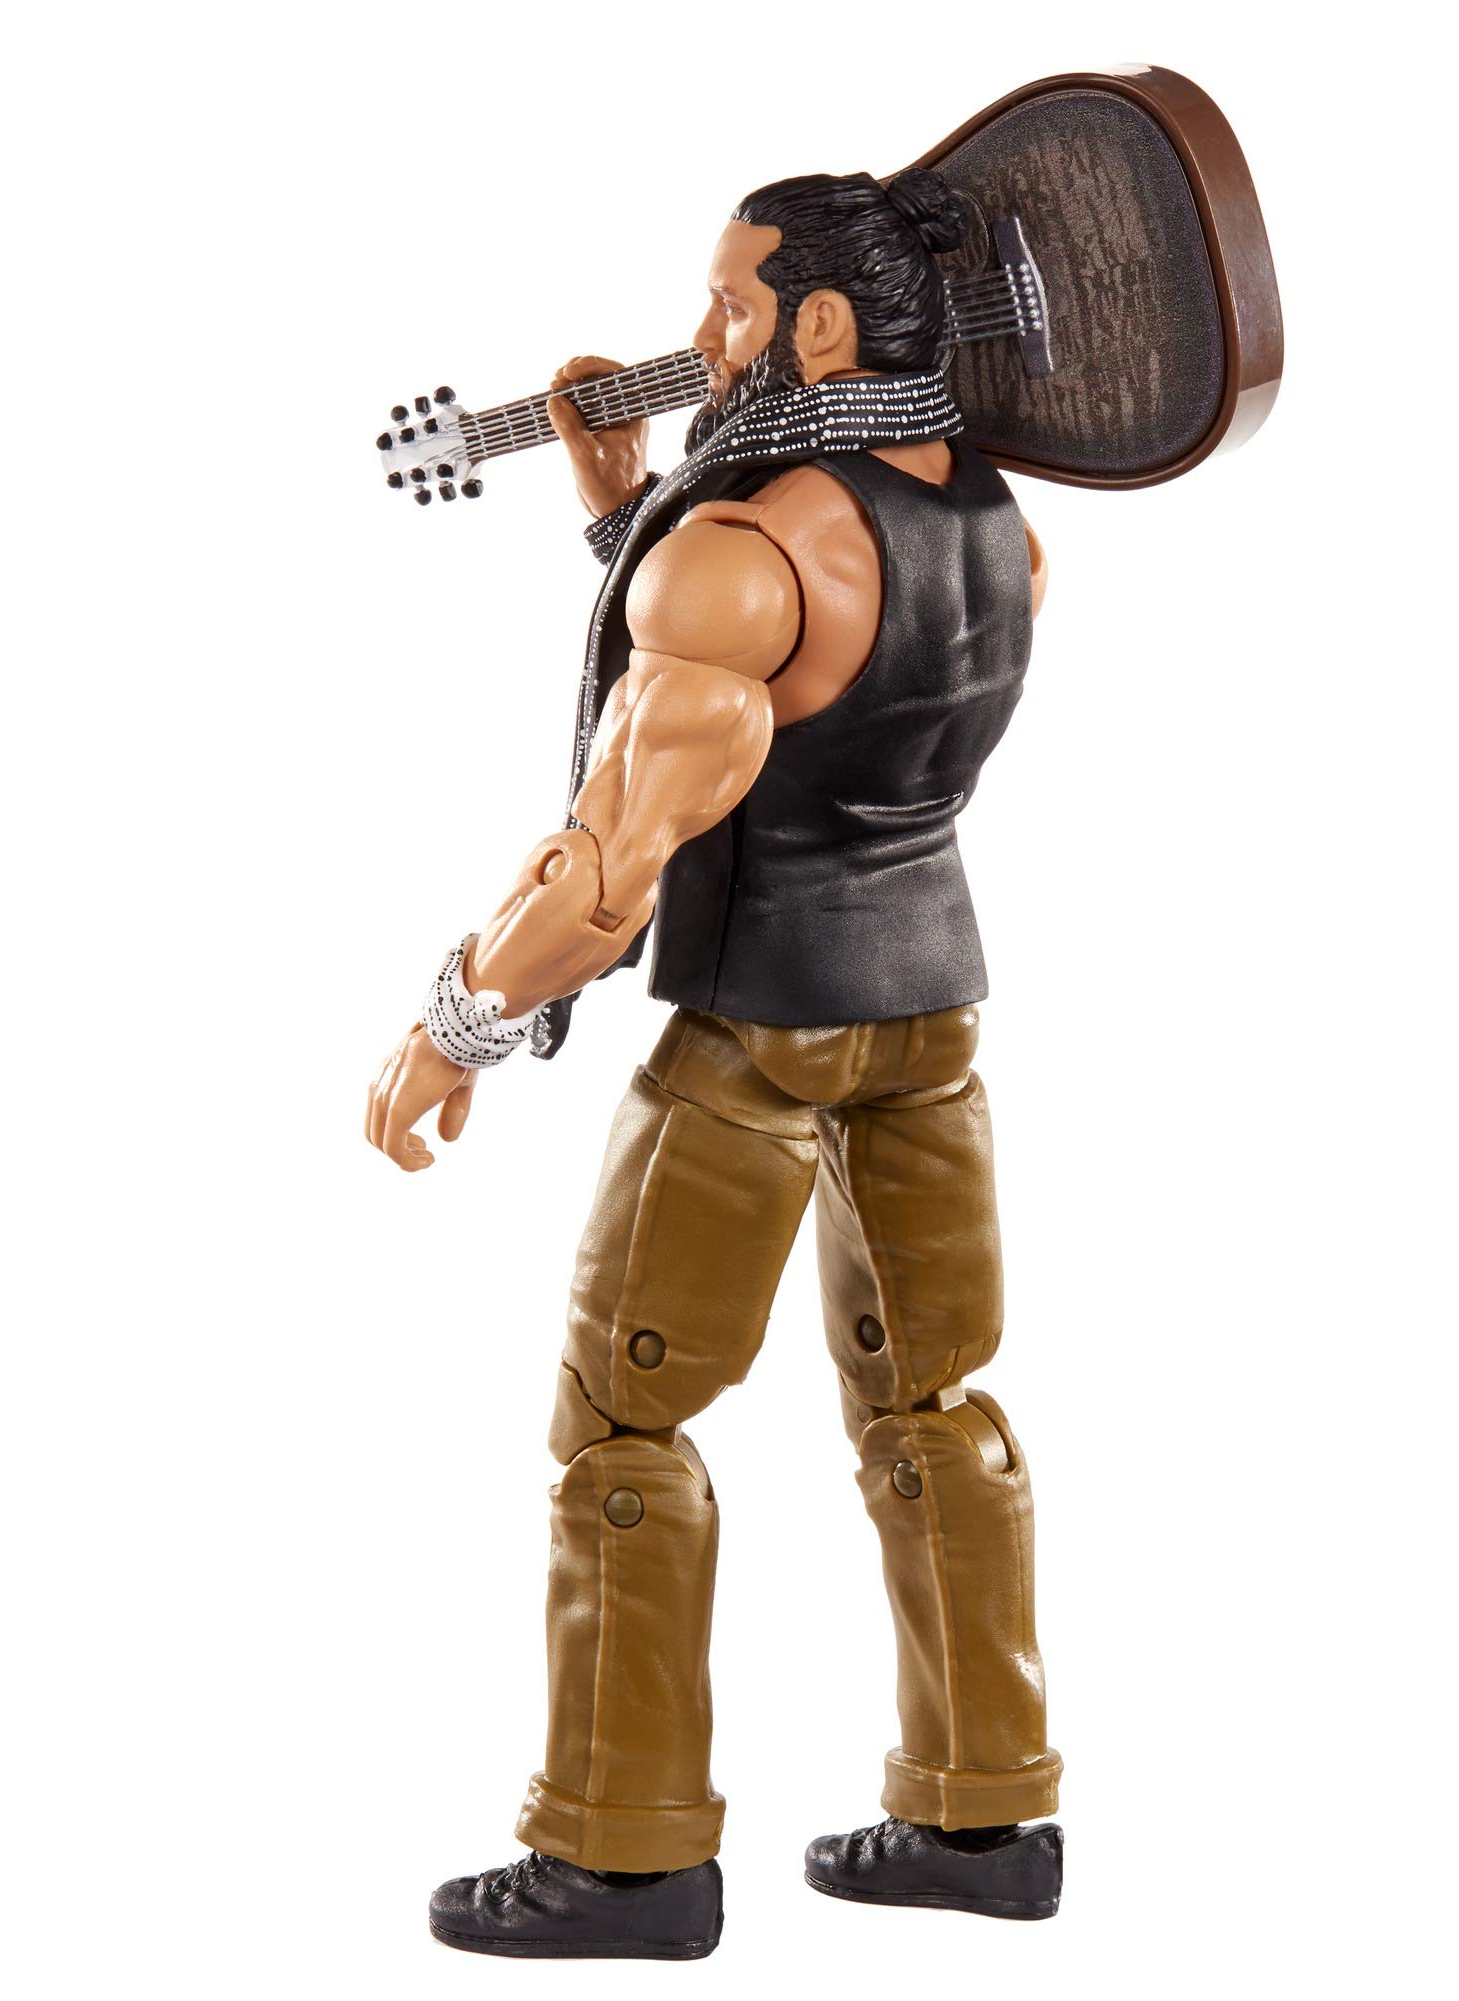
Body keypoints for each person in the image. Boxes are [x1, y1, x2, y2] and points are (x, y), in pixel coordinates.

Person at [366, 167, 1063, 1960]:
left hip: (762, 1034)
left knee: (622, 1424)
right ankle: (984, 1812)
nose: (701, 343)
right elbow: (833, 690)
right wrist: (631, 520)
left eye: (732, 308)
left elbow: (617, 856)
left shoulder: (740, 553)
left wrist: (456, 1020)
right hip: (932, 1015)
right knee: (935, 1406)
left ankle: (624, 1858)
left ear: (819, 326)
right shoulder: (1004, 528)